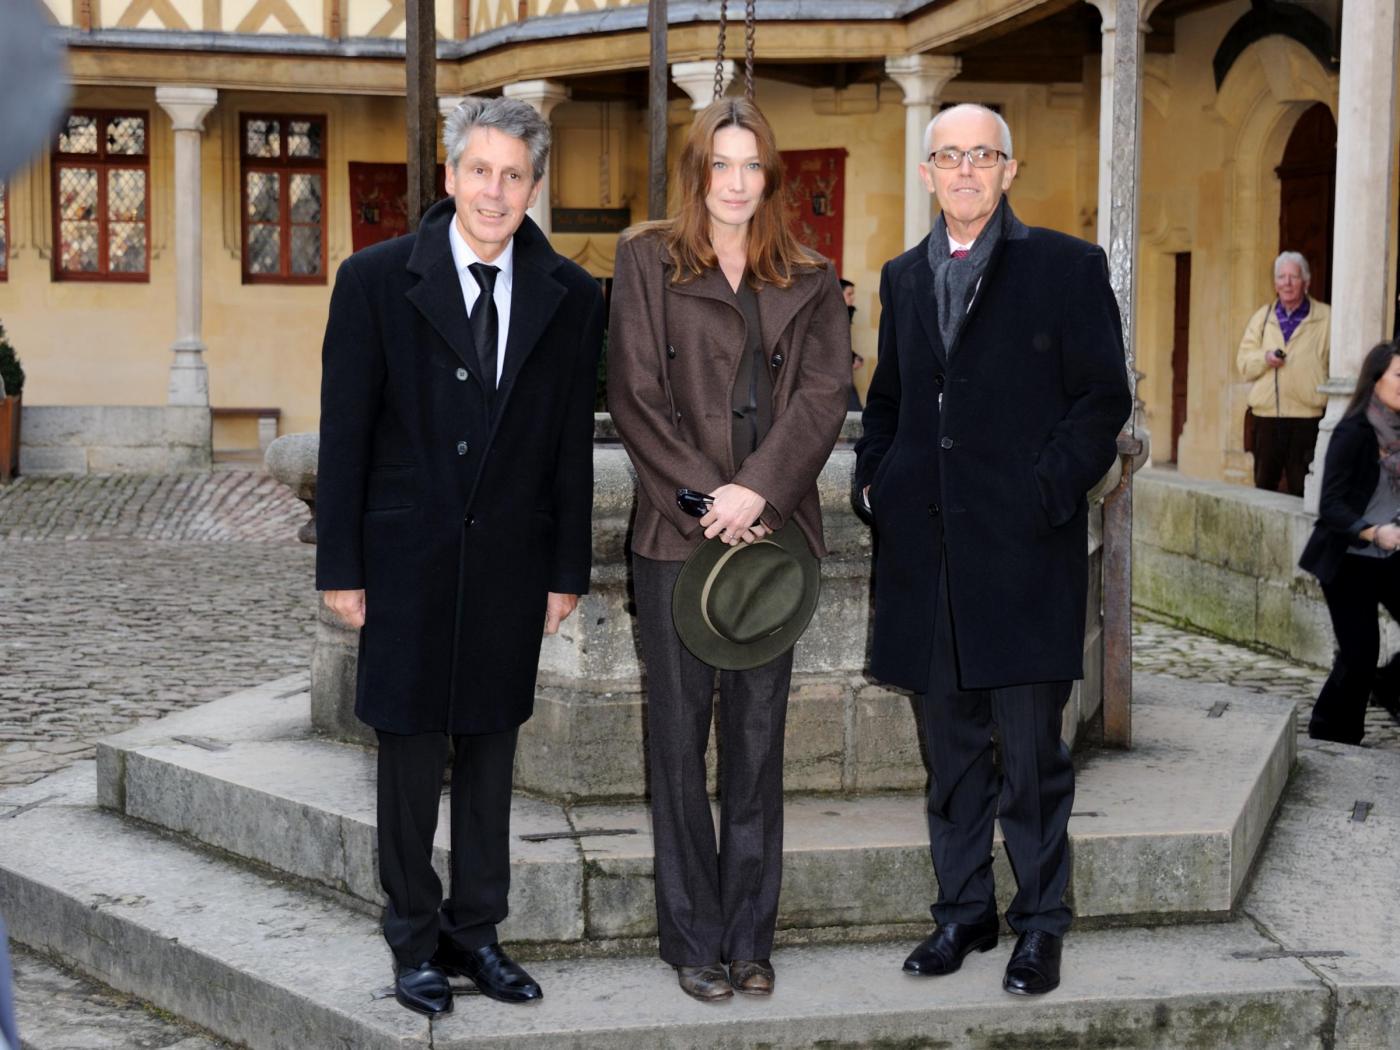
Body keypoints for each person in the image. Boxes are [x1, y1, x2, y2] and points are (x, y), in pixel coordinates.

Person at [315, 96, 603, 1017]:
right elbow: (344, 436)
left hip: (513, 565)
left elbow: (568, 447)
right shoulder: (372, 281)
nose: (494, 190)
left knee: (490, 753)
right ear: (450, 176)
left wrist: (566, 570)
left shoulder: (572, 296)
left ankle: (477, 934)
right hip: (405, 560)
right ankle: (412, 940)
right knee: (407, 757)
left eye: (513, 174)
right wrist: (341, 567)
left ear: (533, 186)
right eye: (479, 170)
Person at [853, 103, 1130, 996]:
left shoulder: (1066, 268)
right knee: (950, 756)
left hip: (1021, 560)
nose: (965, 170)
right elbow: (888, 400)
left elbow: (1102, 400)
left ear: (1010, 170)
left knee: (1032, 761)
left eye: (983, 155)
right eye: (949, 156)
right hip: (927, 561)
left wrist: (1047, 490)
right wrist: (874, 484)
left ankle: (1040, 924)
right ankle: (963, 913)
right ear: (927, 173)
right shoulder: (901, 277)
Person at [607, 98, 850, 1003]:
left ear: (771, 178)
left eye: (752, 166)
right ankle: (691, 941)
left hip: (773, 541)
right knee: (676, 743)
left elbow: (825, 395)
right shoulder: (644, 260)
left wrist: (761, 491)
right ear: (697, 173)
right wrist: (711, 498)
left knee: (757, 743)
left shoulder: (813, 275)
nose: (737, 183)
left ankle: (751, 938)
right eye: (721, 165)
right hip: (680, 537)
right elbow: (634, 395)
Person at [1299, 341, 1400, 744]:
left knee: (1362, 661)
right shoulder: (1353, 431)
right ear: (1375, 380)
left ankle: (1388, 684)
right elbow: (1331, 506)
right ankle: (1332, 734)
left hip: (1390, 558)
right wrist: (1374, 531)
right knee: (1359, 654)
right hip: (1349, 559)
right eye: (1399, 376)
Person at [1236, 252, 1331, 496]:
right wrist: (1265, 358)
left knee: (1303, 491)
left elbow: (1338, 366)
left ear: (1306, 282)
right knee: (1264, 488)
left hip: (1307, 418)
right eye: (1281, 277)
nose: (1287, 283)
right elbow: (1244, 363)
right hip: (1267, 417)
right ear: (1275, 283)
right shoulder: (1263, 317)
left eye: (1293, 277)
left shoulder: (1326, 318)